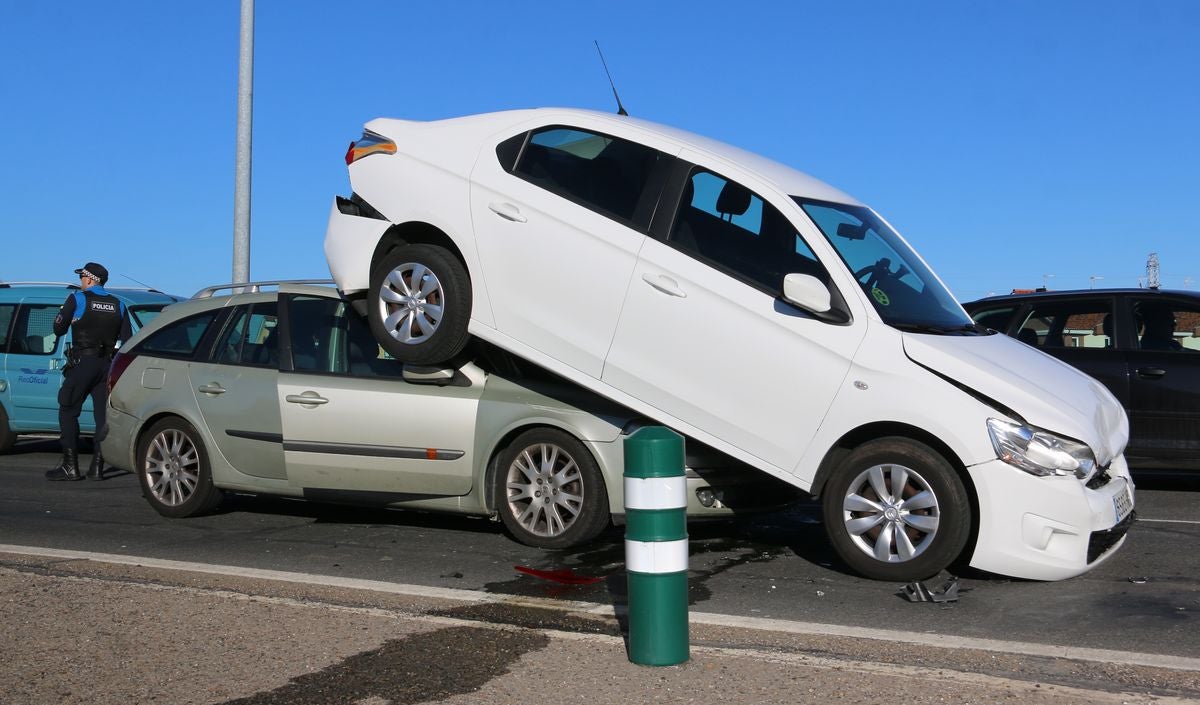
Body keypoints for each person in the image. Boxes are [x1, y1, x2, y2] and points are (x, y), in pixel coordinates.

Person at [45, 263, 132, 482]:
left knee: (68, 408)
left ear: (90, 279)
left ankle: (69, 467)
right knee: (102, 417)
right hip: (107, 365)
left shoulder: (78, 299)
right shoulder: (119, 305)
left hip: (84, 362)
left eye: (82, 277)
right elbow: (127, 341)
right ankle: (97, 467)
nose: (81, 281)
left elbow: (58, 328)